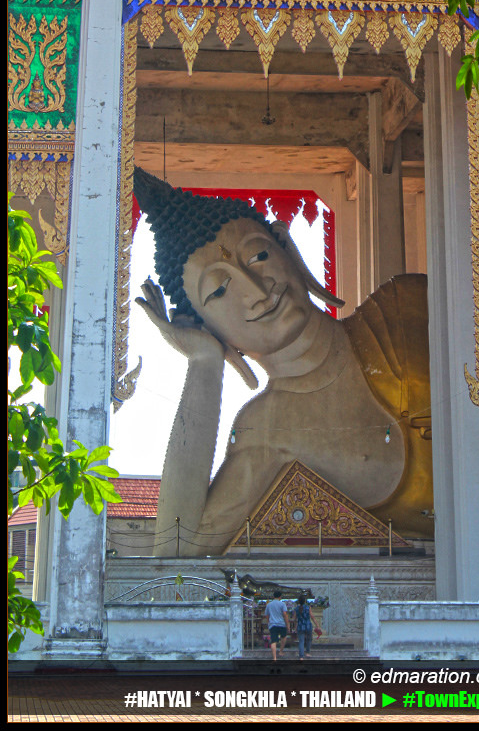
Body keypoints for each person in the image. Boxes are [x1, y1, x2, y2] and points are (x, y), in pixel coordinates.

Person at [133, 168, 433, 556]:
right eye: (220, 290)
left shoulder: (406, 309)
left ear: (287, 248)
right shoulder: (265, 430)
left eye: (259, 256)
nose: (257, 290)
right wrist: (204, 362)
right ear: (209, 328)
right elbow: (177, 549)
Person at [264, 590, 290, 661]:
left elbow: (267, 615)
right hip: (281, 624)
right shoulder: (282, 604)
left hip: (272, 624)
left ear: (273, 596)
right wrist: (287, 624)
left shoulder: (269, 604)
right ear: (280, 597)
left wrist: (269, 622)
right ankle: (281, 651)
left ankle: (274, 657)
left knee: (273, 641)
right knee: (283, 637)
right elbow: (285, 614)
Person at [295, 595, 321, 660]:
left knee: (301, 641)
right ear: (305, 601)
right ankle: (307, 652)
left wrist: (295, 627)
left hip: (300, 626)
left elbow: (295, 618)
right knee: (309, 640)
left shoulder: (296, 608)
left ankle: (301, 656)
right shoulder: (307, 607)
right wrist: (317, 625)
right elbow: (312, 616)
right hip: (308, 625)